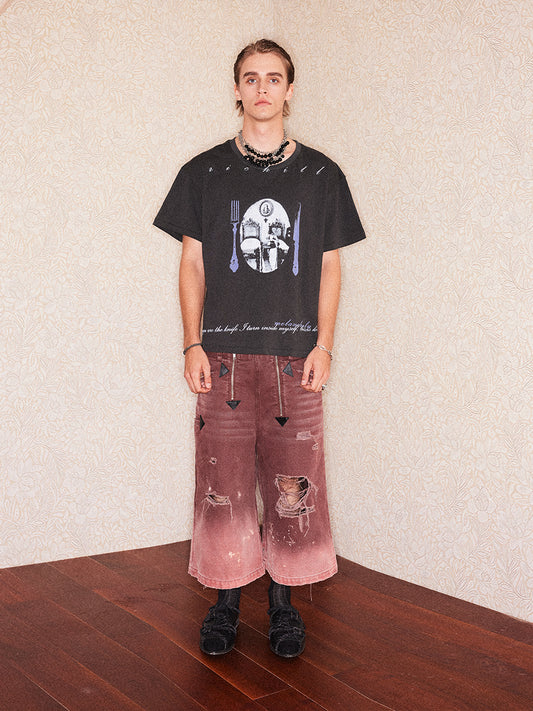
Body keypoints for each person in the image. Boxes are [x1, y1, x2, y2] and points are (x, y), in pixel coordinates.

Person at [153, 39, 366, 658]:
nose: (263, 88)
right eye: (251, 78)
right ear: (237, 89)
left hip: (295, 360)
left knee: (295, 484)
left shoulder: (322, 176)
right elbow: (191, 264)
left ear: (290, 90)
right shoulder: (202, 173)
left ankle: (283, 604)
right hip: (221, 359)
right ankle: (224, 602)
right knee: (221, 481)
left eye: (274, 78)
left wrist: (325, 345)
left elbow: (330, 267)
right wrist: (191, 342)